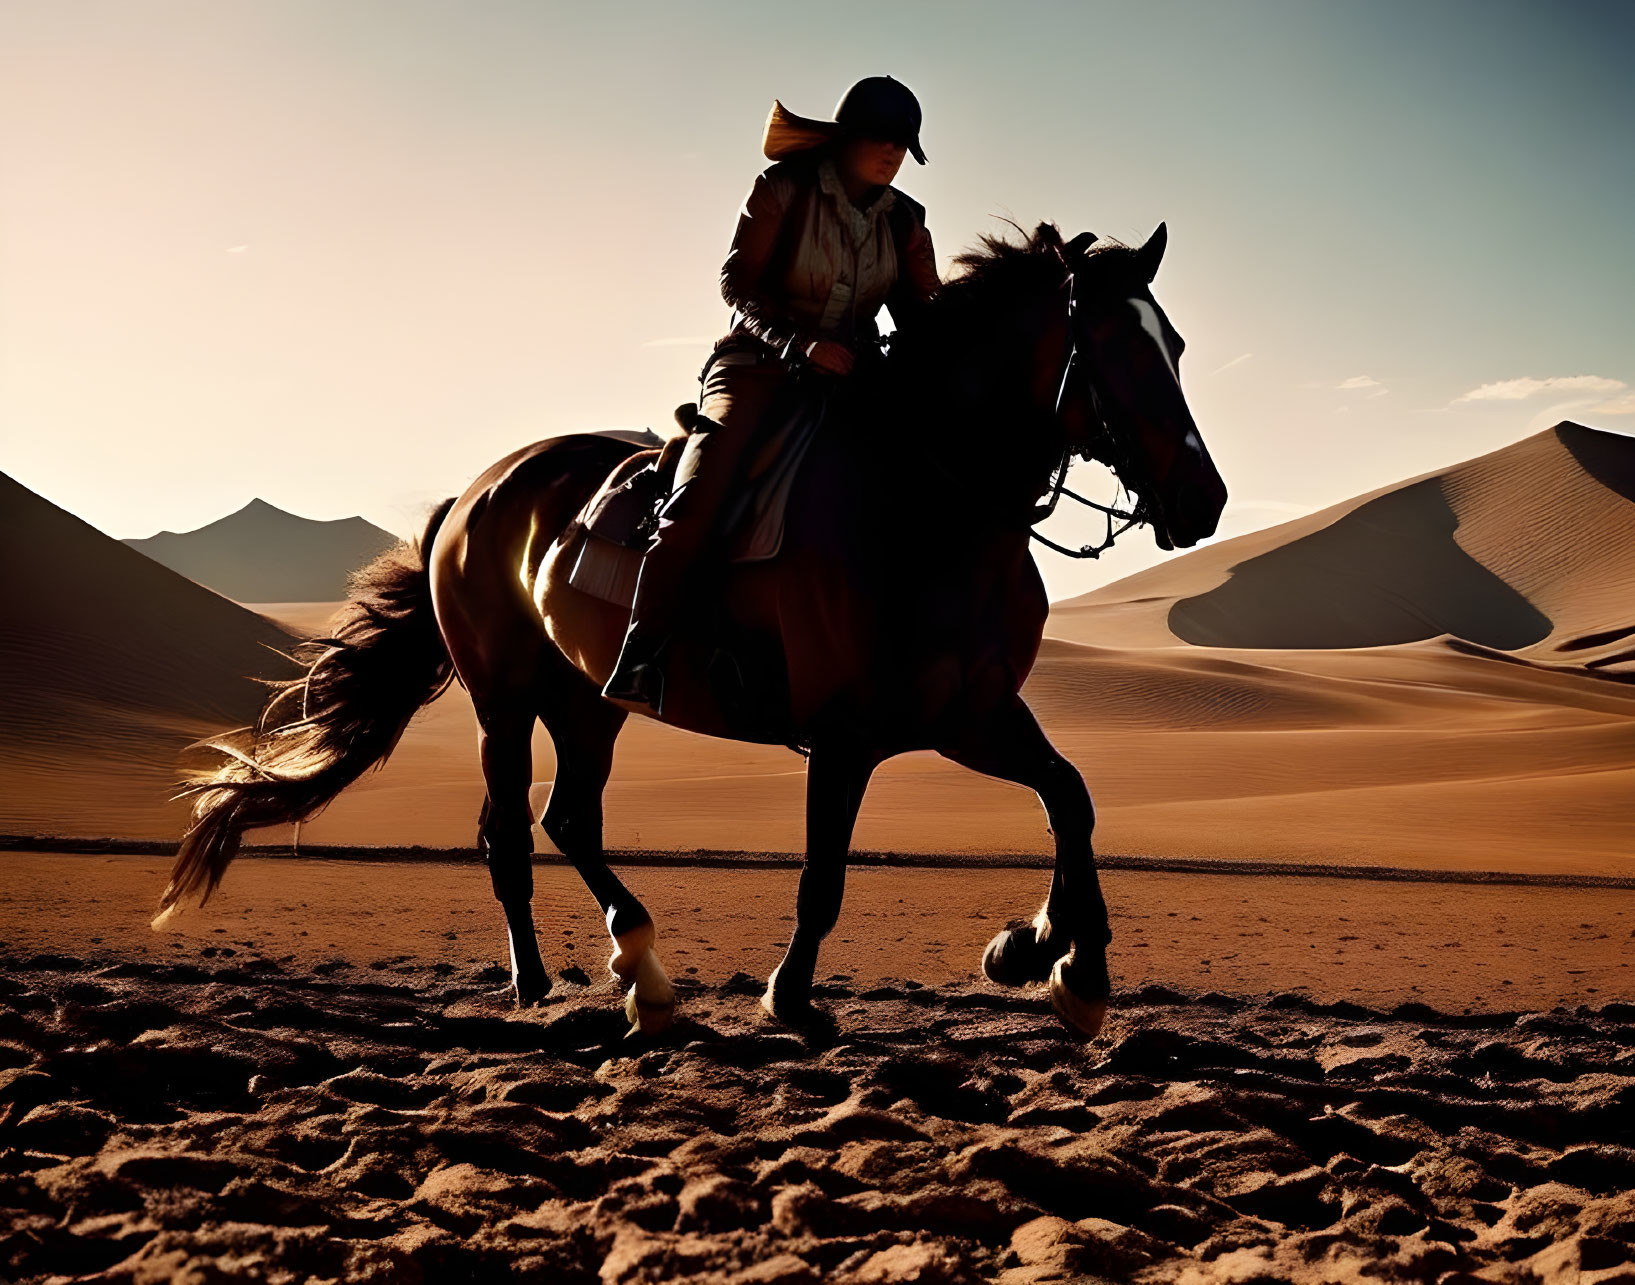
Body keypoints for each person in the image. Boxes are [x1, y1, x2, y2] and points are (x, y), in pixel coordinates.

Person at [602, 75, 942, 714]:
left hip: (854, 376)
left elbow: (926, 315)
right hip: (757, 367)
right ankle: (642, 650)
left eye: (903, 145)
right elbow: (738, 286)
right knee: (703, 489)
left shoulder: (906, 221)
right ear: (845, 142)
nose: (893, 154)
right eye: (881, 140)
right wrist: (799, 345)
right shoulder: (782, 190)